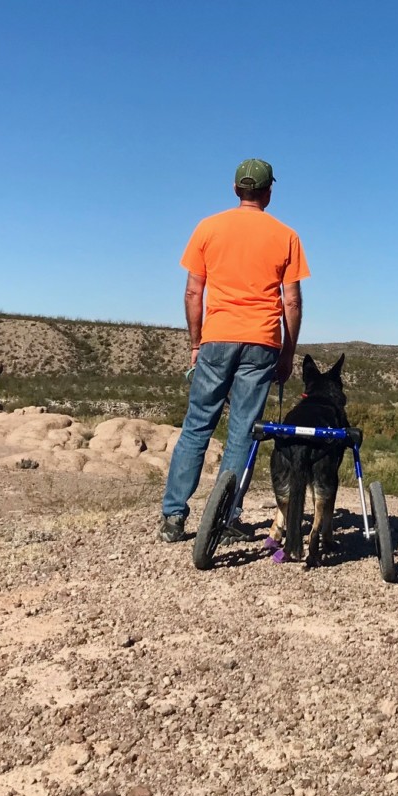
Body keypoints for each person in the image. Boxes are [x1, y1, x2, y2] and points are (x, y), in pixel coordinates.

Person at [159, 158, 308, 543]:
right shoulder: (286, 235)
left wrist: (196, 342)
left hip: (217, 337)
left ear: (235, 189)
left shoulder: (208, 228)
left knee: (196, 426)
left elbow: (194, 292)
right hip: (261, 341)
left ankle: (174, 518)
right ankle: (226, 518)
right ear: (268, 192)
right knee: (243, 432)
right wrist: (288, 352)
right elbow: (290, 302)